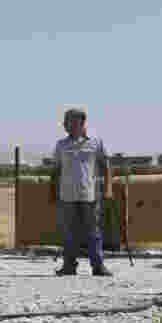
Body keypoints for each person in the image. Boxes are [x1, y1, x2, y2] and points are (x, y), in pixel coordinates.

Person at [49, 108, 113, 277]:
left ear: (81, 122)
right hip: (67, 195)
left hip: (89, 195)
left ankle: (98, 267)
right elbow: (55, 170)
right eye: (65, 122)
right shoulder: (61, 145)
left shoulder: (96, 142)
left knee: (93, 232)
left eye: (68, 121)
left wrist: (108, 189)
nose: (65, 125)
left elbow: (106, 166)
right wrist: (51, 192)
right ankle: (69, 266)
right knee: (69, 232)